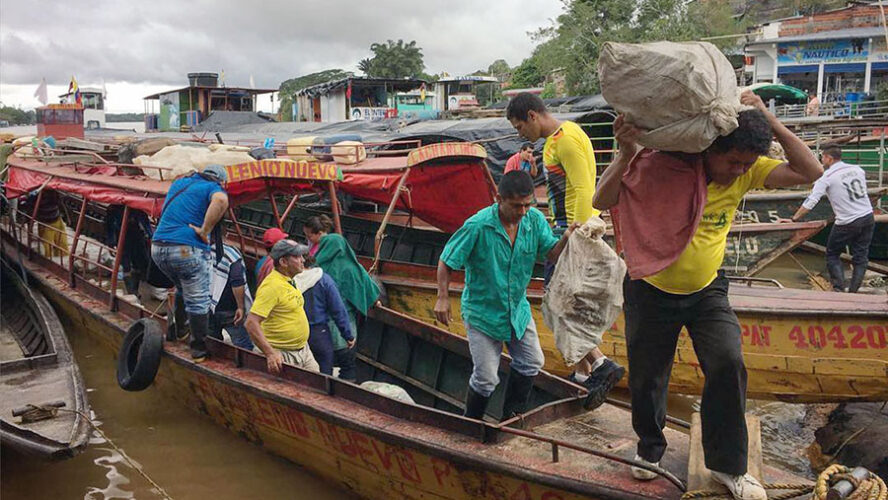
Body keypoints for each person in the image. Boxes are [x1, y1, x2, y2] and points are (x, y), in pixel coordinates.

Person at [593, 90, 822, 500]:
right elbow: (602, 199)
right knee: (647, 377)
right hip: (650, 288)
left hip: (707, 290)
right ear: (709, 151)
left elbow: (810, 170)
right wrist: (625, 153)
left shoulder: (748, 172)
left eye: (746, 164)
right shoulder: (664, 169)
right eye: (732, 161)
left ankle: (728, 466)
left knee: (728, 361)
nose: (739, 171)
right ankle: (649, 450)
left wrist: (769, 120)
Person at [506, 91, 623, 410]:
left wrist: (579, 230)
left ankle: (600, 364)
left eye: (519, 127)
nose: (520, 135)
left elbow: (585, 187)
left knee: (558, 305)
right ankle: (583, 378)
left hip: (571, 231)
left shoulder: (565, 139)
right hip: (567, 227)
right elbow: (565, 186)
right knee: (569, 304)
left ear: (532, 116)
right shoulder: (561, 138)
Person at [435, 171, 577, 420]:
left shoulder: (533, 220)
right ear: (498, 198)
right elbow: (447, 261)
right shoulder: (478, 226)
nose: (522, 211)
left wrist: (565, 239)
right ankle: (471, 423)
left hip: (516, 310)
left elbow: (550, 255)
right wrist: (443, 296)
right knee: (486, 378)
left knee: (532, 361)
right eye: (516, 206)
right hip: (483, 312)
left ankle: (511, 418)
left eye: (527, 204)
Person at [151, 164, 229, 361]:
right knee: (198, 298)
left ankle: (179, 330)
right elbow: (221, 201)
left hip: (158, 248)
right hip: (187, 248)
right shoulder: (213, 188)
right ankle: (199, 349)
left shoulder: (180, 183)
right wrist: (204, 231)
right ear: (220, 181)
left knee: (181, 286)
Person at [785, 145, 873, 292]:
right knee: (861, 256)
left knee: (832, 254)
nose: (821, 159)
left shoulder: (826, 177)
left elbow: (812, 201)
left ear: (829, 158)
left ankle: (838, 289)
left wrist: (794, 219)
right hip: (867, 216)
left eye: (823, 157)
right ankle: (853, 292)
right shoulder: (858, 170)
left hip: (847, 221)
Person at [304, 215, 380, 379]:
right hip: (347, 329)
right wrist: (375, 301)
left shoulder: (317, 270)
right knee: (348, 367)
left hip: (320, 332)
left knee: (324, 367)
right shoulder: (352, 267)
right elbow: (368, 286)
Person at [245, 239, 320, 374]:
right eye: (297, 257)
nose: (303, 260)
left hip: (302, 350)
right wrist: (270, 353)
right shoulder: (272, 286)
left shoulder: (289, 280)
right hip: (283, 354)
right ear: (283, 262)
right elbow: (251, 323)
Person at [294, 255, 357, 376]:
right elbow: (338, 310)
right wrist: (348, 335)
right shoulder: (323, 279)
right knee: (324, 374)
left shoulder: (289, 280)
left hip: (295, 333)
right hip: (319, 334)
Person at [209, 244, 254, 350]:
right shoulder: (230, 254)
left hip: (208, 304)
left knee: (212, 341)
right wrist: (241, 307)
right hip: (229, 309)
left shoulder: (203, 248)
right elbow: (237, 281)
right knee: (243, 344)